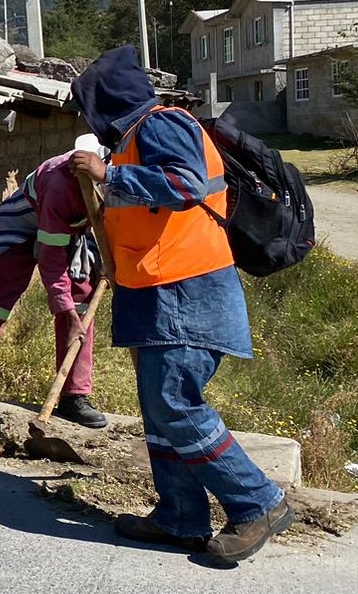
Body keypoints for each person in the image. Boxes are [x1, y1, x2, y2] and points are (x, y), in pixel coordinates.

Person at [69, 46, 293, 565]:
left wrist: (108, 176)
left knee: (174, 401)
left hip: (185, 288)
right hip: (154, 291)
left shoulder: (161, 123)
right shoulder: (130, 140)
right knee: (158, 411)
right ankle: (180, 517)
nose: (86, 117)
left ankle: (259, 502)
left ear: (108, 100)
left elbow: (184, 184)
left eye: (88, 105)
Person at [0, 137, 107, 428]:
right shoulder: (59, 184)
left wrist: (107, 264)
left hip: (74, 231)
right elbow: (52, 264)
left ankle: (74, 397)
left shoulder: (115, 178)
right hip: (22, 226)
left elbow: (113, 227)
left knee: (81, 305)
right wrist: (64, 310)